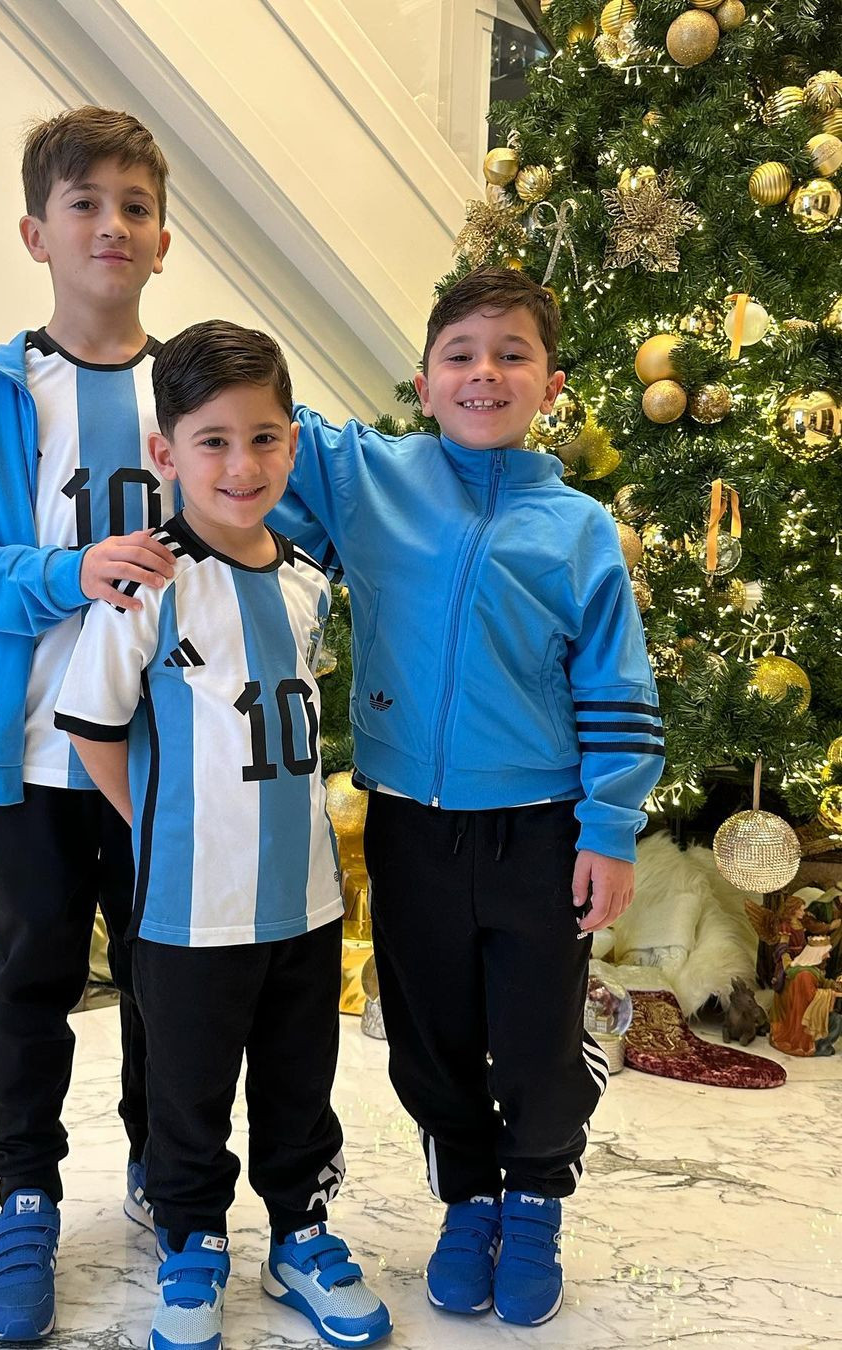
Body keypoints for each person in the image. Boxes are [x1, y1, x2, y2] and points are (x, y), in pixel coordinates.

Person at [270, 266, 665, 1327]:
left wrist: (612, 828)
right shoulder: (369, 479)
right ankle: (470, 1196)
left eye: (512, 355)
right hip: (409, 827)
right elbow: (252, 429)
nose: (484, 372)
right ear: (425, 377)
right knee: (429, 1036)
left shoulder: (577, 527)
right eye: (461, 354)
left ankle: (535, 1195)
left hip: (540, 831)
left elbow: (618, 684)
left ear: (552, 385)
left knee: (535, 1034)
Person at [54, 321, 393, 1350]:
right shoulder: (149, 582)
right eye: (212, 441)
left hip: (305, 903)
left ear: (292, 445)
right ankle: (193, 1240)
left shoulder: (304, 579)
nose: (240, 465)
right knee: (189, 1092)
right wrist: (164, 832)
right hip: (189, 907)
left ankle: (300, 1233)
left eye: (263, 439)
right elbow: (93, 730)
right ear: (166, 453)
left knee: (301, 1082)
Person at [0, 106, 179, 1343]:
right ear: (37, 231)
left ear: (163, 237)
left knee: (171, 980)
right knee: (28, 983)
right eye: (85, 204)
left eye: (133, 205)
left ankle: (167, 1177)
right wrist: (67, 574)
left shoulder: (197, 382)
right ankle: (25, 1195)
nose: (110, 224)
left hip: (171, 762)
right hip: (31, 762)